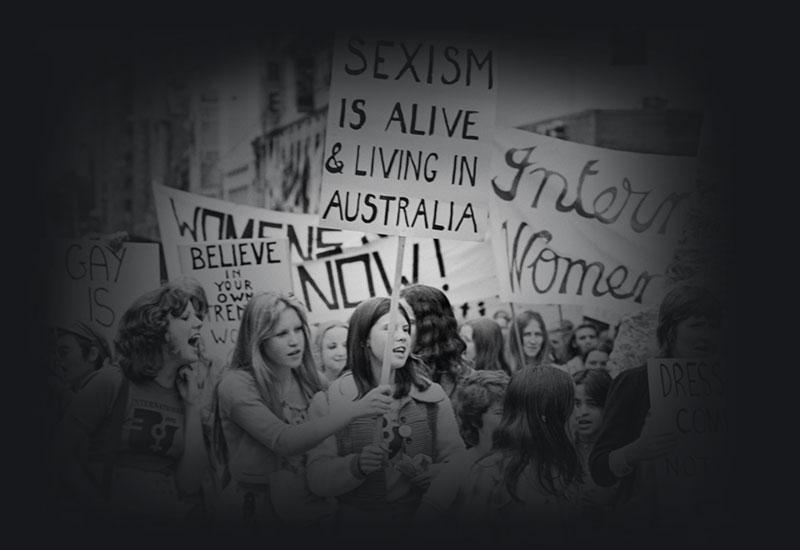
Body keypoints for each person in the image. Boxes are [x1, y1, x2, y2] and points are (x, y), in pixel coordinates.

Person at [212, 292, 392, 530]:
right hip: (257, 515)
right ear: (258, 339)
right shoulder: (236, 385)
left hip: (314, 511)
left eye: (298, 329)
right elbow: (283, 441)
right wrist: (355, 410)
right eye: (282, 334)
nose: (295, 341)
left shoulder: (311, 380)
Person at [52, 279, 210, 527]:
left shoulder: (187, 393)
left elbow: (189, 484)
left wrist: (192, 405)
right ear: (158, 328)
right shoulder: (112, 381)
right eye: (186, 317)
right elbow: (59, 453)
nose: (199, 323)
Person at [306, 296, 465, 531]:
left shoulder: (433, 396)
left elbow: (458, 462)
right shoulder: (330, 402)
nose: (402, 336)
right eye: (389, 329)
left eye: (406, 329)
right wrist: (356, 466)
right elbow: (317, 478)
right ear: (364, 339)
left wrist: (435, 481)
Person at [588, 284, 722, 532]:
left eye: (713, 326)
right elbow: (599, 469)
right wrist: (635, 451)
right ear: (671, 331)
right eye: (696, 325)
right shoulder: (635, 382)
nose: (706, 335)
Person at [454, 366, 580, 543]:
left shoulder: (562, 468)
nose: (578, 415)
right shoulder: (491, 474)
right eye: (573, 405)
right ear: (546, 414)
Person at [413, 370, 510, 528]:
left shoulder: (519, 462)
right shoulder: (459, 467)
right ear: (475, 419)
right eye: (499, 413)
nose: (509, 420)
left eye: (512, 412)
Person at [400, 284, 472, 399]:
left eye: (410, 322)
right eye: (396, 321)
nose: (400, 330)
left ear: (432, 326)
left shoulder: (469, 382)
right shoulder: (389, 375)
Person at [570, 368, 617, 530]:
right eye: (576, 404)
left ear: (608, 406)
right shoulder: (561, 450)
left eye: (591, 404)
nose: (582, 413)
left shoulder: (622, 452)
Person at [313, 321, 349, 387]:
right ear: (319, 351)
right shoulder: (312, 386)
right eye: (332, 347)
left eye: (346, 346)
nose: (341, 353)